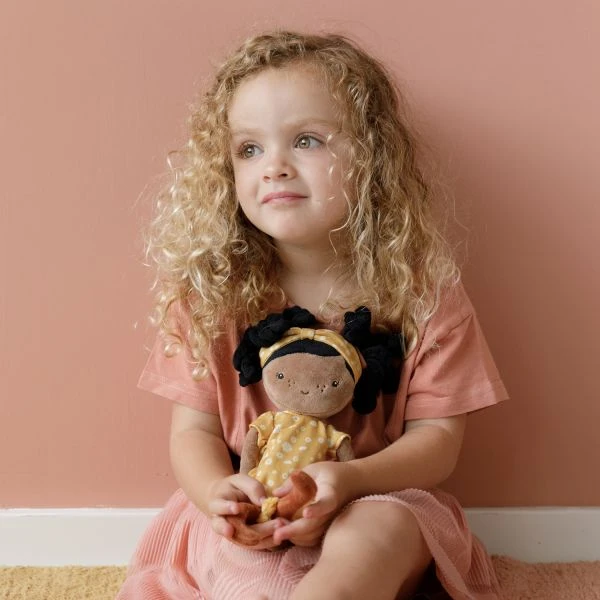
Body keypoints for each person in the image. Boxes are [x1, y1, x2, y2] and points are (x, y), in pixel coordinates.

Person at [117, 30, 508, 600]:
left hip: (373, 493)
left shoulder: (420, 292)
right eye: (249, 149)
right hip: (256, 503)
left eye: (306, 140)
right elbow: (193, 432)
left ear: (372, 158)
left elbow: (437, 440)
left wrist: (349, 479)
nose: (273, 167)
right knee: (245, 569)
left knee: (380, 531)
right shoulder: (211, 293)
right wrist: (219, 494)